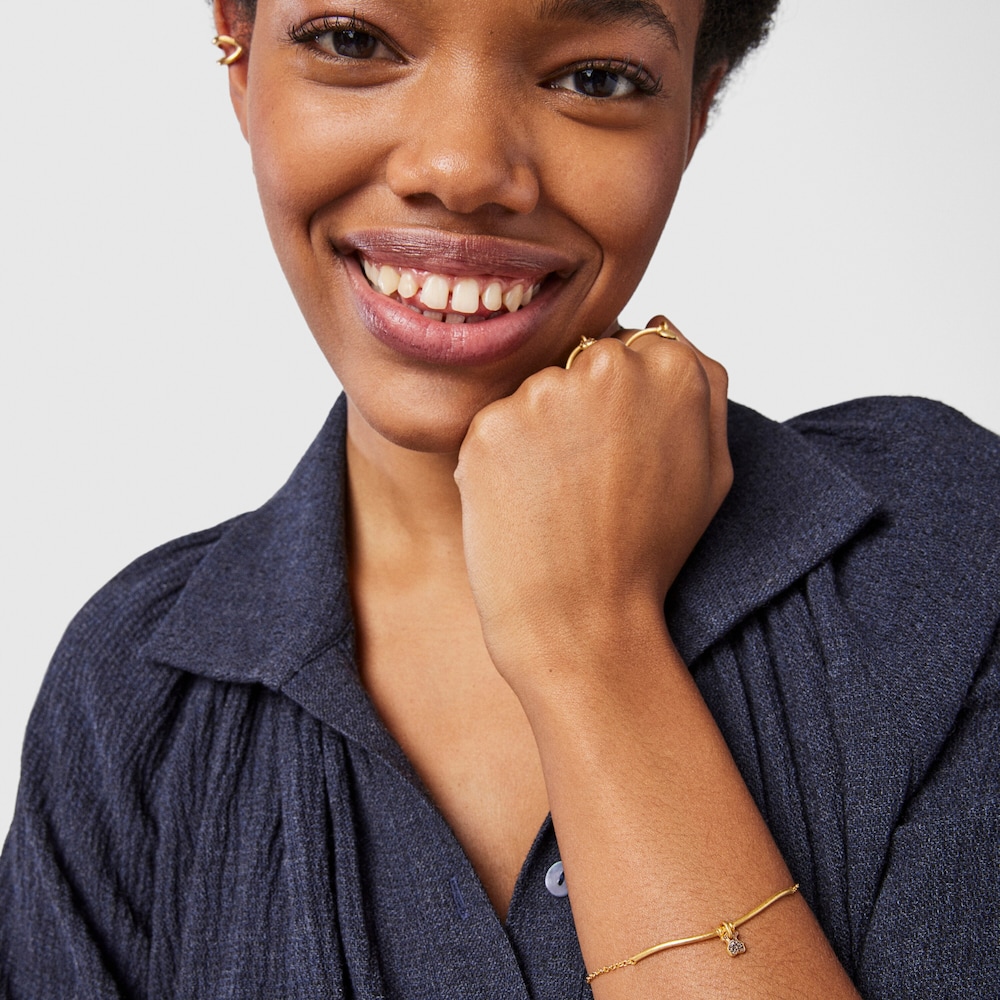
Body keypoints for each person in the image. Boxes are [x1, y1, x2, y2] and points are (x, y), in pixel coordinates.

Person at [2, 0, 997, 996]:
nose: (464, 167)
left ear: (698, 106)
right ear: (237, 47)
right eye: (353, 41)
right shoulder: (138, 701)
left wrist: (591, 641)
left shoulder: (940, 556)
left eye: (597, 77)